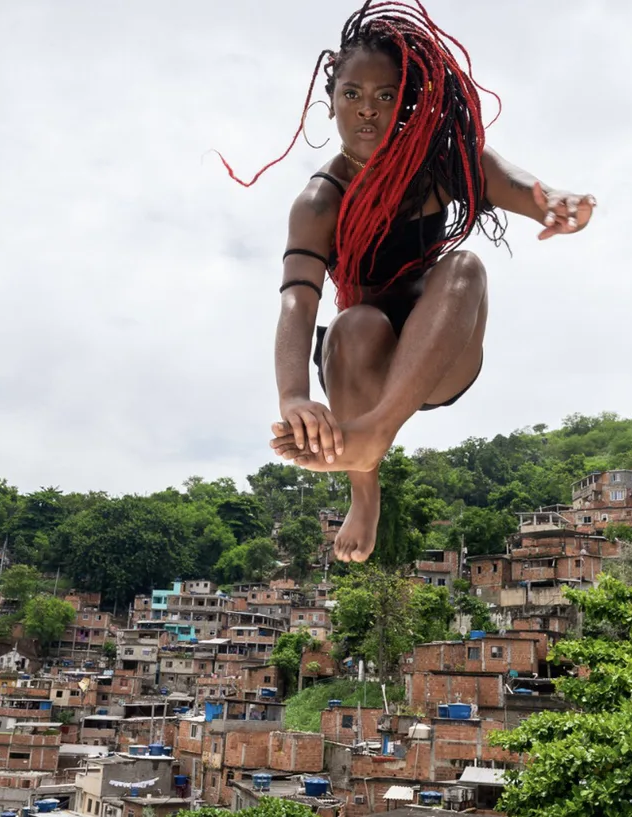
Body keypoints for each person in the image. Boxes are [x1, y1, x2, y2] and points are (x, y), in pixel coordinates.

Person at [217, 0, 596, 564]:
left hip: (438, 355)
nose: (367, 111)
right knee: (354, 322)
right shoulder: (320, 201)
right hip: (361, 366)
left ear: (407, 103)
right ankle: (363, 485)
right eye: (352, 95)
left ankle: (371, 437)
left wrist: (554, 203)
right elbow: (298, 304)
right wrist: (294, 396)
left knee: (465, 265)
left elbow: (516, 184)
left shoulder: (440, 161)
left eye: (385, 96)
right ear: (330, 105)